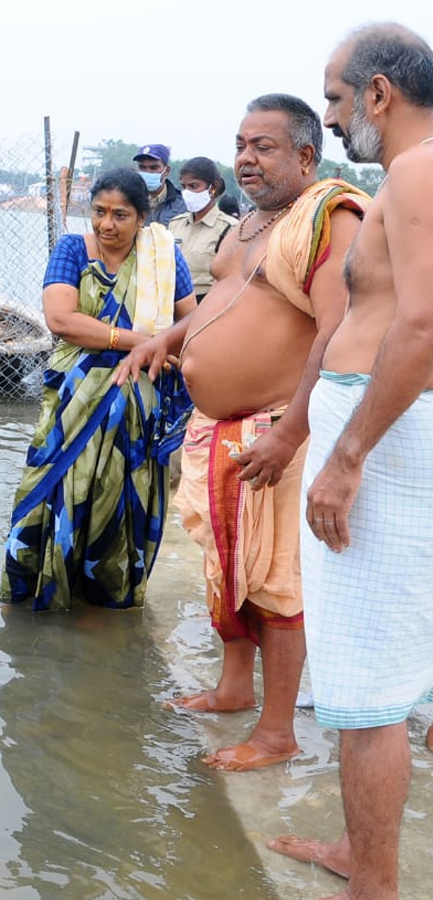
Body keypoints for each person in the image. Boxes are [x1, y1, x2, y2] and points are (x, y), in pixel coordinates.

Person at [116, 95, 369, 772]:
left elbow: (337, 330)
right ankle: (233, 689)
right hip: (217, 427)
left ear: (306, 155)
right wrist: (165, 340)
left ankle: (278, 732)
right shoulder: (247, 223)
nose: (246, 160)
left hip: (277, 424)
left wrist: (291, 432)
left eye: (265, 146)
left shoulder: (329, 217)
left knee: (274, 581)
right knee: (226, 564)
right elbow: (219, 305)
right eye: (241, 145)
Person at [264, 24, 433, 899]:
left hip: (388, 438)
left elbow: (421, 326)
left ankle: (373, 879)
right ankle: (362, 852)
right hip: (394, 430)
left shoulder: (416, 169)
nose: (330, 118)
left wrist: (348, 454)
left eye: (334, 98)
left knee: (368, 684)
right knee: (406, 662)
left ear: (378, 93)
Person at [1, 168, 196, 610]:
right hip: (74, 404)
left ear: (142, 218)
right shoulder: (73, 249)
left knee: (123, 498)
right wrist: (145, 343)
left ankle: (104, 605)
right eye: (99, 212)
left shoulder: (164, 258)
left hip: (139, 407)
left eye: (120, 215)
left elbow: (194, 320)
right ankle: (36, 597)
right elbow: (61, 319)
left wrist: (160, 346)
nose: (106, 224)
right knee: (52, 490)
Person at [167, 156, 239, 301]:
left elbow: (230, 280)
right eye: (184, 186)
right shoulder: (175, 224)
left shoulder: (229, 228)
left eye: (194, 186)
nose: (187, 193)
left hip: (207, 302)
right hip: (171, 301)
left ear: (213, 187)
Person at [134, 143, 188, 225]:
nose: (147, 172)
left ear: (166, 171)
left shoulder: (183, 205)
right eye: (142, 167)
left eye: (154, 167)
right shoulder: (130, 200)